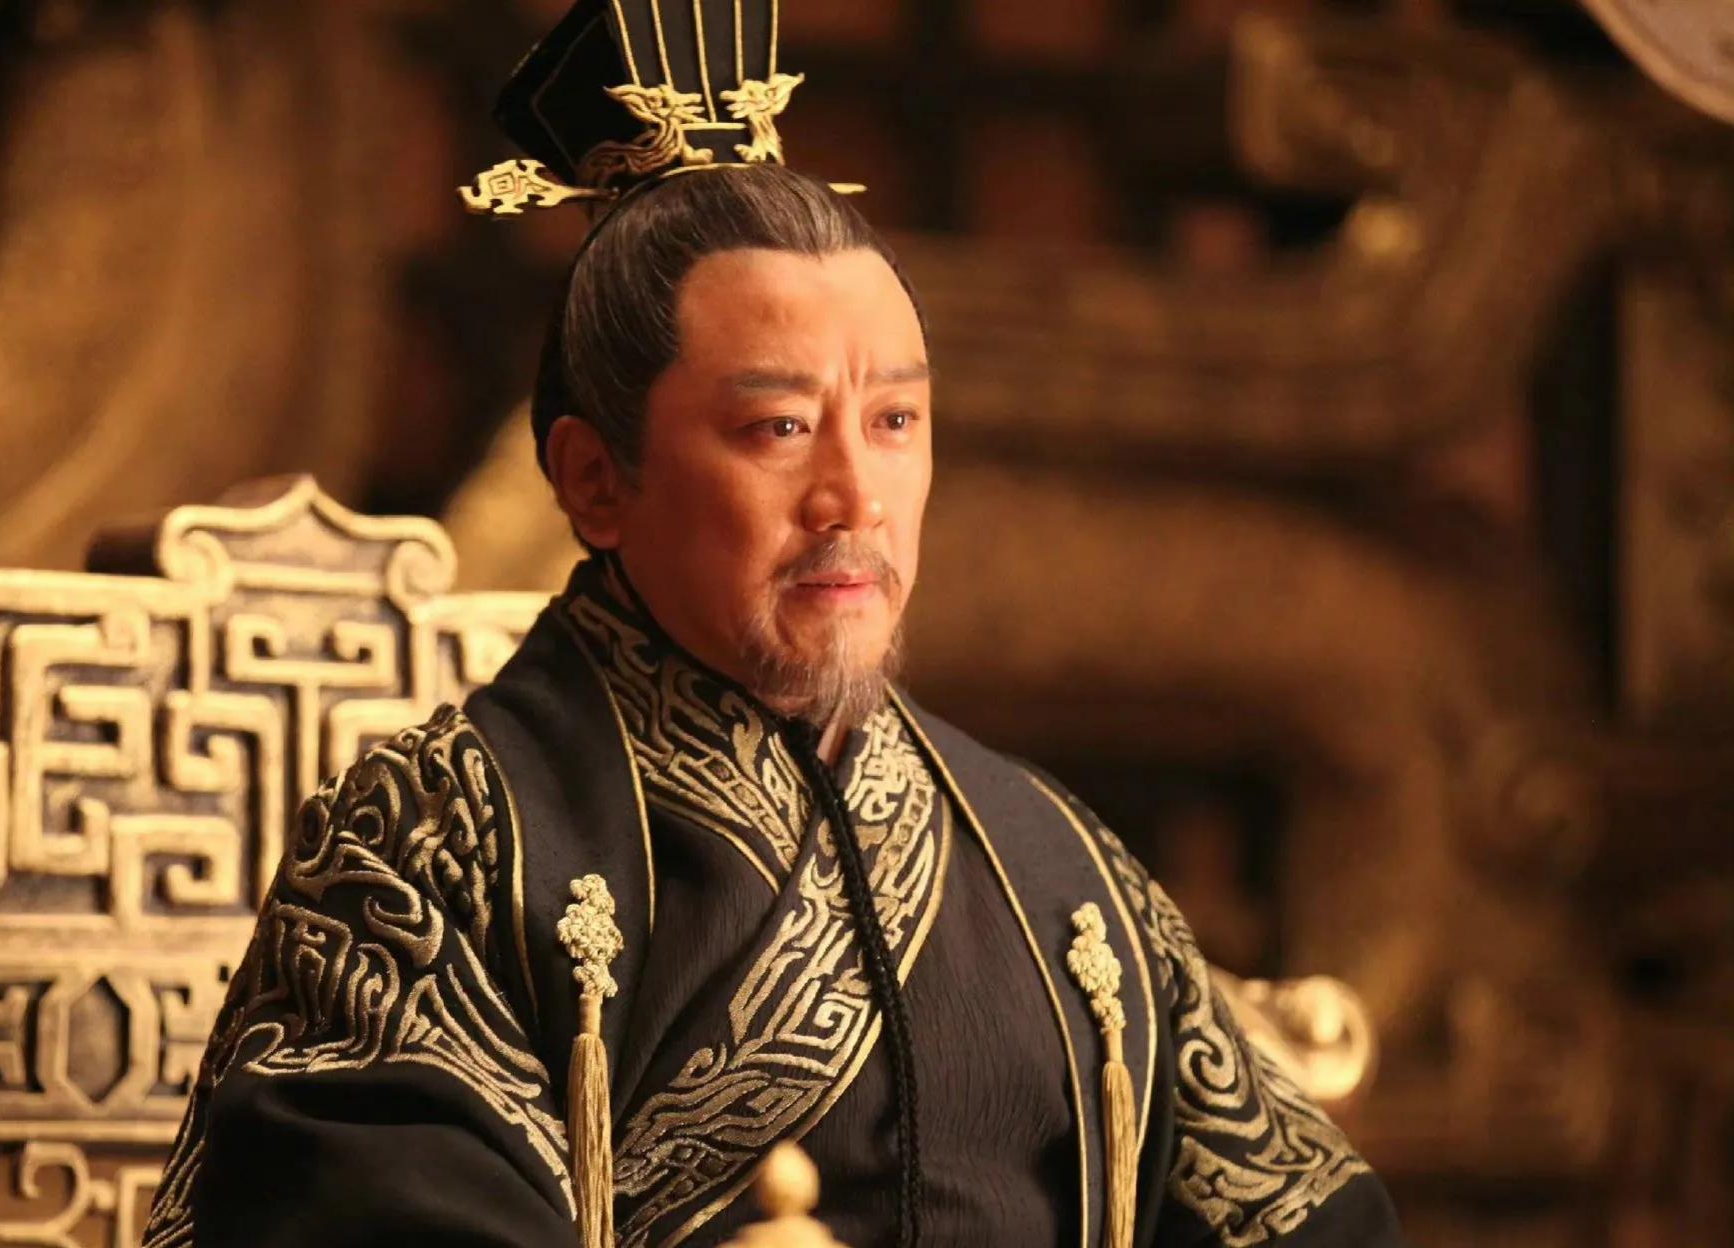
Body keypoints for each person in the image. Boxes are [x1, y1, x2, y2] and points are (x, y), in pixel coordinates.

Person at [143, 2, 1406, 1245]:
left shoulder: (1055, 866)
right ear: (594, 479)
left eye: (894, 423)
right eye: (779, 427)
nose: (854, 496)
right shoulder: (439, 842)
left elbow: (1314, 1223)